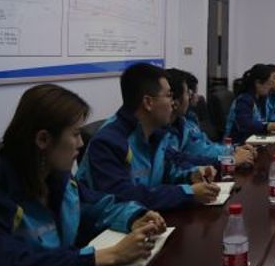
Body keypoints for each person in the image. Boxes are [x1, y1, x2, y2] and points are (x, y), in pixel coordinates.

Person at [0, 85, 166, 266]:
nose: (81, 143)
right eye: (75, 134)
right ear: (43, 139)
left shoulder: (61, 181)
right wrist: (111, 255)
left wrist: (134, 217)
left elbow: (99, 206)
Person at [77, 63, 220, 211]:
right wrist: (187, 192)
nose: (172, 103)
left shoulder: (156, 134)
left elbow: (172, 166)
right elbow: (124, 197)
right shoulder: (109, 142)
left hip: (149, 217)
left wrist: (192, 175)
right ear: (148, 103)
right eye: (168, 96)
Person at [165, 69, 256, 167]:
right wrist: (230, 159)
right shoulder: (168, 132)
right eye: (188, 93)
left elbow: (202, 152)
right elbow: (196, 158)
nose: (193, 96)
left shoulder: (185, 121)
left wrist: (233, 150)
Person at [225, 64, 275, 144]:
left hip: (253, 138)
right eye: (268, 83)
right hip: (237, 144)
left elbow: (264, 119)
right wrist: (266, 126)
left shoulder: (260, 98)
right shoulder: (244, 100)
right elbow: (245, 125)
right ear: (257, 83)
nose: (270, 87)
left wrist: (269, 126)